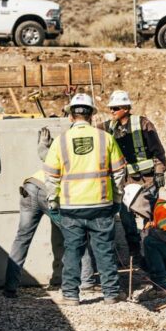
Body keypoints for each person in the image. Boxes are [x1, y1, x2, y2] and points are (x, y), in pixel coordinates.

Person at [44, 93, 127, 306]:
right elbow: (119, 172)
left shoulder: (61, 141)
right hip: (101, 204)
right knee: (104, 249)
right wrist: (117, 198)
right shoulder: (105, 138)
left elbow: (51, 176)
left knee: (72, 251)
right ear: (91, 115)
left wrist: (53, 201)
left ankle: (71, 295)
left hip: (71, 206)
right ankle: (111, 294)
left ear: (72, 116)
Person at [3, 127, 98, 298]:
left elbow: (44, 155)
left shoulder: (61, 153)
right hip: (48, 193)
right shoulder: (82, 160)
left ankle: (10, 287)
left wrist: (42, 144)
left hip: (30, 186)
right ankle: (88, 282)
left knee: (22, 238)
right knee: (77, 235)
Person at [100, 90, 166, 258]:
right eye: (111, 108)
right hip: (125, 182)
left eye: (116, 108)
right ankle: (134, 248)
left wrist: (159, 172)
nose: (112, 111)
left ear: (126, 108)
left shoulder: (143, 124)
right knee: (125, 215)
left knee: (149, 215)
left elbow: (157, 150)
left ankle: (151, 247)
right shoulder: (108, 127)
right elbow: (88, 130)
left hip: (147, 180)